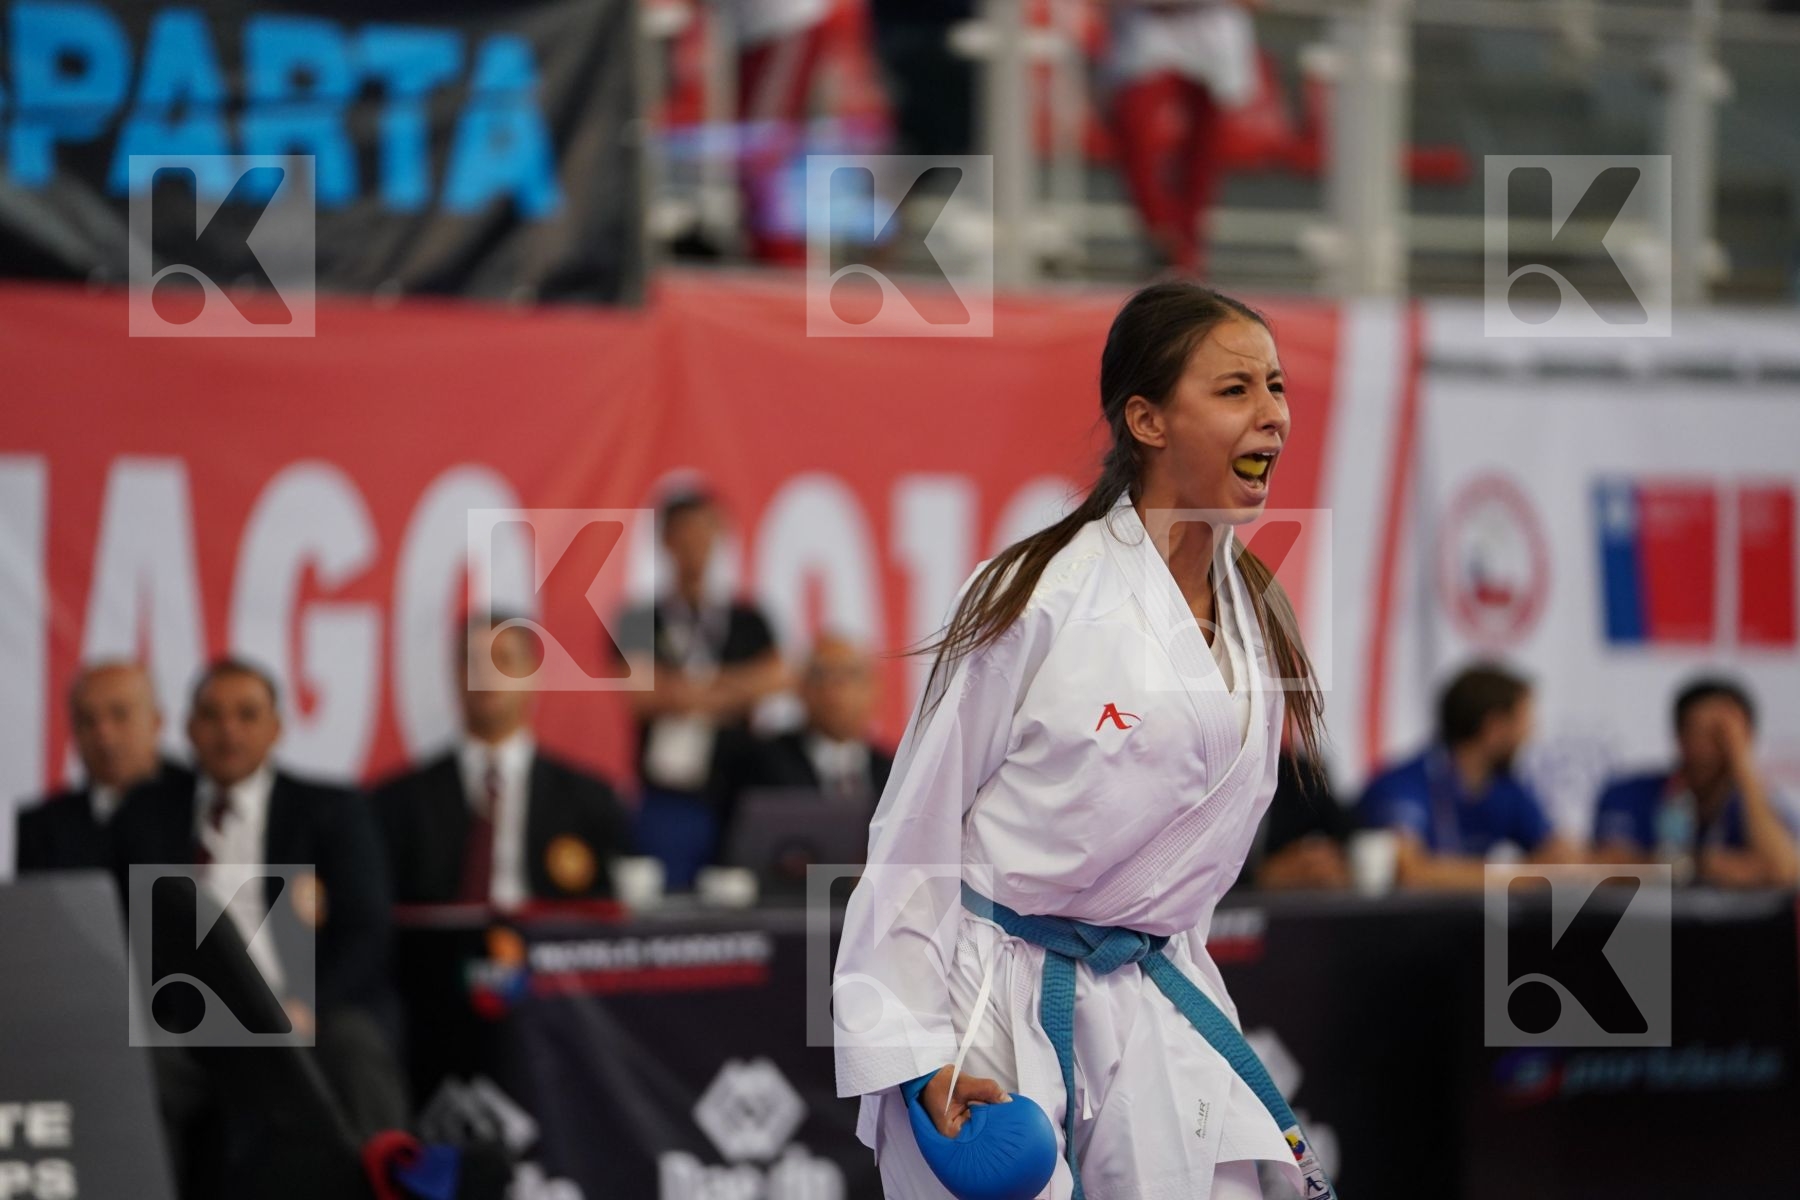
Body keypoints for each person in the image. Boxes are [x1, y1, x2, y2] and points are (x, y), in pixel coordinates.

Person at [834, 283, 1333, 1199]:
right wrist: (916, 1049)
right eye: (1234, 390)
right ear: (1147, 419)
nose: (1272, 415)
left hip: (1155, 990)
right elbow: (913, 833)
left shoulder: (1258, 617)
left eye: (1276, 387)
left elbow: (1176, 862)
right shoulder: (1038, 594)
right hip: (993, 992)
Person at [110, 659, 407, 1146]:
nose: (229, 731)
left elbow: (367, 931)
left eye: (247, 715)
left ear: (276, 728)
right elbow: (126, 931)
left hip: (305, 1011)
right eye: (212, 715)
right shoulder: (147, 814)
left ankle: (387, 1176)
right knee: (135, 1067)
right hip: (192, 1023)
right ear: (189, 729)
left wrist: (310, 1006)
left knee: (353, 1046)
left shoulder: (329, 809)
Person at [374, 617, 629, 907]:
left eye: (503, 660)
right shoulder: (399, 803)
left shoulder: (589, 800)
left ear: (531, 674)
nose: (487, 674)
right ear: (455, 674)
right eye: (473, 662)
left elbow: (610, 909)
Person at [616, 491, 787, 888]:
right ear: (665, 540)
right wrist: (738, 689)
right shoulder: (638, 619)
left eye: (704, 532)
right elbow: (642, 696)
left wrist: (685, 690)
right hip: (669, 793)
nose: (695, 544)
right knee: (668, 900)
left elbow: (779, 678)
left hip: (739, 788)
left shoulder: (748, 619)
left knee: (742, 899)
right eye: (685, 533)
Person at [1359, 664, 1580, 890]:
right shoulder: (1401, 786)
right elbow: (1409, 871)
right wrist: (1524, 876)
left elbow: (1561, 857)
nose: (1530, 735)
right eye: (1523, 723)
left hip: (1472, 912)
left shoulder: (1505, 787)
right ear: (1494, 728)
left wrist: (1544, 867)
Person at [1592, 677, 1799, 887]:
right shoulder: (1630, 794)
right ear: (1679, 735)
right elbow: (1607, 866)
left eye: (1725, 736)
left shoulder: (1759, 805)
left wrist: (1743, 767)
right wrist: (1699, 866)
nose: (1712, 746)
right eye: (1701, 732)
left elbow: (1785, 871)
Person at [1103, 0, 1260, 275]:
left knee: (1205, 149)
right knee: (1132, 129)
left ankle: (1188, 246)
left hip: (1214, 27)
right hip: (1149, 24)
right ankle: (1160, 232)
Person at [15, 660, 190, 874]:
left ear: (156, 721)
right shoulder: (39, 828)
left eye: (120, 714)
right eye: (87, 720)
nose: (103, 734)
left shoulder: (203, 807)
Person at [722, 632, 894, 810]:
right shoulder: (762, 763)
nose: (835, 688)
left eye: (850, 674)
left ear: (874, 687)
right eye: (821, 675)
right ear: (800, 687)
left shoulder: (893, 773)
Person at [1231, 751, 1350, 893]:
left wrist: (1327, 864)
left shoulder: (1301, 777)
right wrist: (1260, 877)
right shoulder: (1208, 776)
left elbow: (1346, 841)